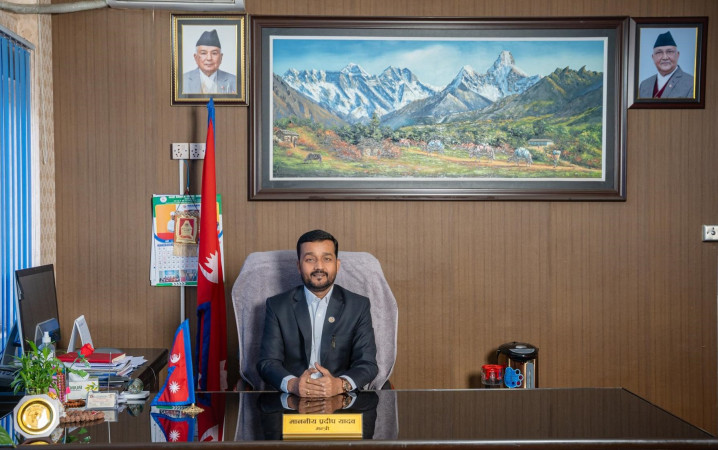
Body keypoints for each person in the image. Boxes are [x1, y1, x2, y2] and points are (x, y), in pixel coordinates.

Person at [257, 229, 378, 398]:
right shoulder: (277, 306)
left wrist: (339, 385)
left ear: (337, 265)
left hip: (342, 399)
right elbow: (268, 363)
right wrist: (293, 385)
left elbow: (367, 364)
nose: (319, 267)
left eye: (327, 259)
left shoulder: (358, 306)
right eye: (310, 259)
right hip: (292, 399)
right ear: (299, 266)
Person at [638, 31, 694, 99]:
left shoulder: (691, 83)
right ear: (653, 57)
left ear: (677, 55)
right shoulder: (644, 85)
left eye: (669, 52)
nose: (665, 57)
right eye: (659, 52)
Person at [182, 29, 237, 94]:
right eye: (203, 53)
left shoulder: (235, 81)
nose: (209, 58)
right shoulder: (182, 81)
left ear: (221, 57)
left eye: (214, 53)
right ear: (196, 57)